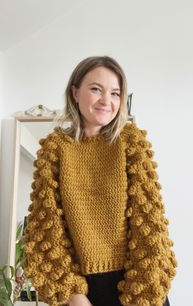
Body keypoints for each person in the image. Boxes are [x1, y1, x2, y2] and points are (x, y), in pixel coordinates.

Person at [23, 56, 178, 306]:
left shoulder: (131, 142)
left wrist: (143, 290)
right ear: (75, 93)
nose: (107, 100)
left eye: (115, 93)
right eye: (96, 89)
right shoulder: (55, 149)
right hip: (81, 289)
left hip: (139, 283)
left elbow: (150, 221)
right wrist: (75, 296)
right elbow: (45, 228)